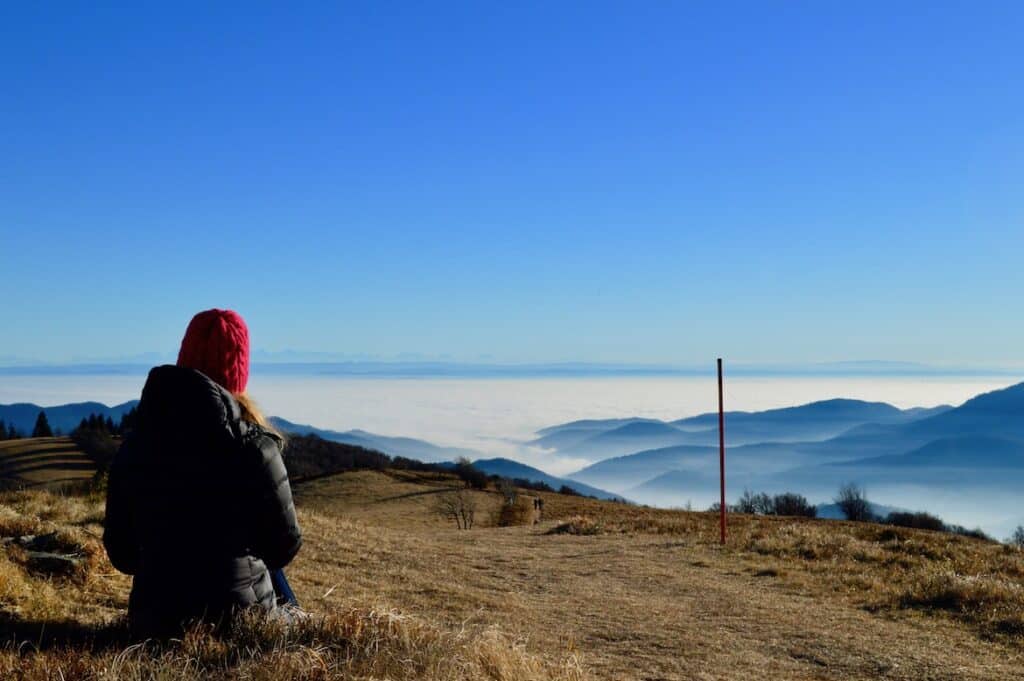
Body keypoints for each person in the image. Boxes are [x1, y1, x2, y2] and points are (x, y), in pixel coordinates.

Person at [103, 309, 302, 638]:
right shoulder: (255, 448)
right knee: (274, 577)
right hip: (240, 627)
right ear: (238, 370)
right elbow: (283, 547)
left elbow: (122, 555)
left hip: (154, 624)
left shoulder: (136, 447)